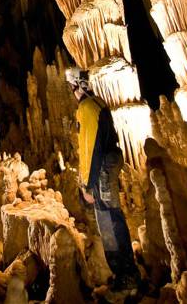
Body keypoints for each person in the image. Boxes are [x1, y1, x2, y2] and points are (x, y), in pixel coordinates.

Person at [66, 67, 138, 294]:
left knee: (107, 218)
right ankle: (128, 273)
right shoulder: (99, 103)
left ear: (76, 86)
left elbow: (89, 148)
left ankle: (125, 276)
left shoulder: (86, 108)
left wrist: (87, 184)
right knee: (113, 215)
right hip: (111, 161)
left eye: (72, 87)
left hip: (102, 169)